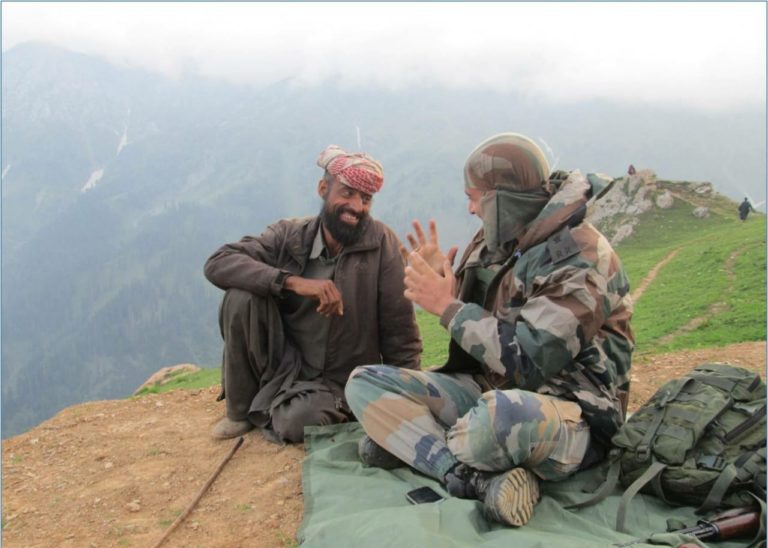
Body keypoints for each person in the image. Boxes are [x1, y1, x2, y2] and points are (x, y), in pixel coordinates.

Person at [345, 133, 635, 527]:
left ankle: (417, 443)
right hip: (491, 388)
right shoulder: (501, 237)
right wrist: (447, 280)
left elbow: (530, 360)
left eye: (475, 197)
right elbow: (482, 322)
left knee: (494, 422)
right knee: (364, 383)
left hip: (570, 412)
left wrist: (448, 307)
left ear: (504, 199)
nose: (468, 209)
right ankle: (469, 478)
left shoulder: (581, 257)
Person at [204, 145, 421, 443]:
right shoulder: (289, 235)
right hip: (284, 364)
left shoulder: (382, 245)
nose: (356, 207)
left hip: (338, 380)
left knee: (301, 422)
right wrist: (292, 282)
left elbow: (401, 331)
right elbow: (218, 263)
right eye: (347, 194)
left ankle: (282, 407)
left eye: (365, 199)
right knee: (240, 296)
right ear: (323, 189)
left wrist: (408, 398)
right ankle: (241, 412)